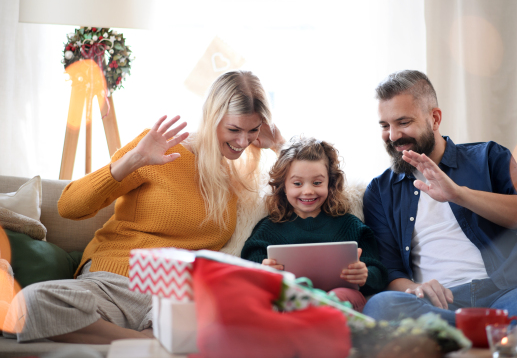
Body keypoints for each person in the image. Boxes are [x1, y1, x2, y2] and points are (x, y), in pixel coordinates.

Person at [4, 70, 285, 344]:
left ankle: (148, 341)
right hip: (117, 281)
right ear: (212, 118)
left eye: (252, 131)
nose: (242, 142)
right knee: (30, 304)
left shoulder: (242, 176)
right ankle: (149, 343)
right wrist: (134, 160)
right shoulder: (160, 150)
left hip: (177, 294)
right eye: (234, 129)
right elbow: (69, 206)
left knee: (242, 321)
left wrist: (280, 145)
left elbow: (306, 192)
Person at [361, 70, 517, 332]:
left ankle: (459, 334)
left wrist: (459, 194)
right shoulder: (380, 191)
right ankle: (491, 332)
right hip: (440, 304)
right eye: (384, 126)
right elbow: (390, 271)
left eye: (403, 122)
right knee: (380, 308)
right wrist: (416, 288)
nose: (393, 135)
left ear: (434, 118)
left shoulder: (489, 156)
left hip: (511, 292)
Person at [241, 137, 388, 312]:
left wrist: (365, 275)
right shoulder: (269, 228)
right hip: (291, 301)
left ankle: (316, 313)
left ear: (331, 183)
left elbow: (379, 274)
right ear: (284, 186)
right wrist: (264, 270)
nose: (308, 190)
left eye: (317, 182)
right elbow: (248, 268)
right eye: (297, 183)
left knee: (341, 295)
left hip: (341, 303)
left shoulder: (350, 225)